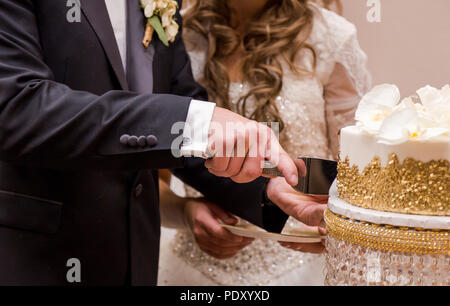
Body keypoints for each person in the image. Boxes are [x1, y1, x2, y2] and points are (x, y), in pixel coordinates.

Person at [0, 0, 309, 285]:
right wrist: (198, 122)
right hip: (41, 258)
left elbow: (177, 101)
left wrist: (266, 189)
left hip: (138, 256)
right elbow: (17, 107)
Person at [158, 0, 371, 285]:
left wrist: (338, 230)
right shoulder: (175, 35)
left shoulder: (331, 37)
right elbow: (146, 176)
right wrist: (184, 211)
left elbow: (362, 175)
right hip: (195, 271)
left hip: (301, 266)